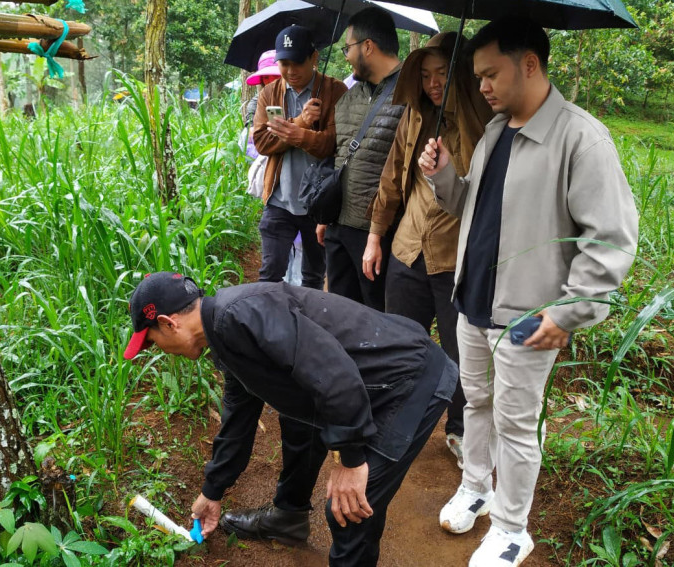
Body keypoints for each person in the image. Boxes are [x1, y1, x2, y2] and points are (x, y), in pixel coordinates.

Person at [417, 17, 638, 567]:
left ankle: (514, 529)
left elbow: (611, 239)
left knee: (516, 421)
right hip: (472, 302)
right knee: (475, 402)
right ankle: (476, 487)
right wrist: (445, 176)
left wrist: (569, 313)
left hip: (527, 316)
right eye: (478, 76)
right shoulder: (497, 131)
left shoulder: (580, 138)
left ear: (530, 64)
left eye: (490, 74)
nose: (482, 86)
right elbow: (475, 210)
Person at [123, 272, 458, 566]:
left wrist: (351, 461)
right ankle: (288, 518)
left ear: (169, 323)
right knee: (298, 422)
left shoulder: (240, 315)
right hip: (375, 381)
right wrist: (212, 492)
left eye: (152, 342)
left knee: (348, 510)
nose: (159, 351)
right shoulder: (224, 333)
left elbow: (334, 373)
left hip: (409, 380)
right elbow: (238, 419)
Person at [362, 32, 493, 468]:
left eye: (442, 73)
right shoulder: (415, 116)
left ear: (459, 74)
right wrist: (375, 235)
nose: (433, 83)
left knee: (460, 354)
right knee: (398, 343)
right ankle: (392, 424)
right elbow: (392, 174)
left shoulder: (483, 119)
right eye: (426, 74)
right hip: (408, 250)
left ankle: (459, 432)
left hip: (457, 258)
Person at [318, 7, 405, 310]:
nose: (345, 55)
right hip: (339, 226)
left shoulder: (411, 93)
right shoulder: (349, 97)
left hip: (377, 233)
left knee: (376, 316)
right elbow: (341, 154)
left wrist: (378, 234)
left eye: (348, 47)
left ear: (368, 46)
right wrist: (327, 215)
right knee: (341, 315)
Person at [252, 25, 347, 289]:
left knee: (314, 276)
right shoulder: (269, 94)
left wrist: (296, 135)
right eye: (284, 63)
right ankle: (268, 325)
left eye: (298, 63)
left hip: (319, 204)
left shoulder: (335, 92)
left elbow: (334, 144)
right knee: (270, 274)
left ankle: (307, 324)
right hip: (279, 199)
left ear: (314, 58)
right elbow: (262, 142)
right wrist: (301, 123)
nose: (291, 71)